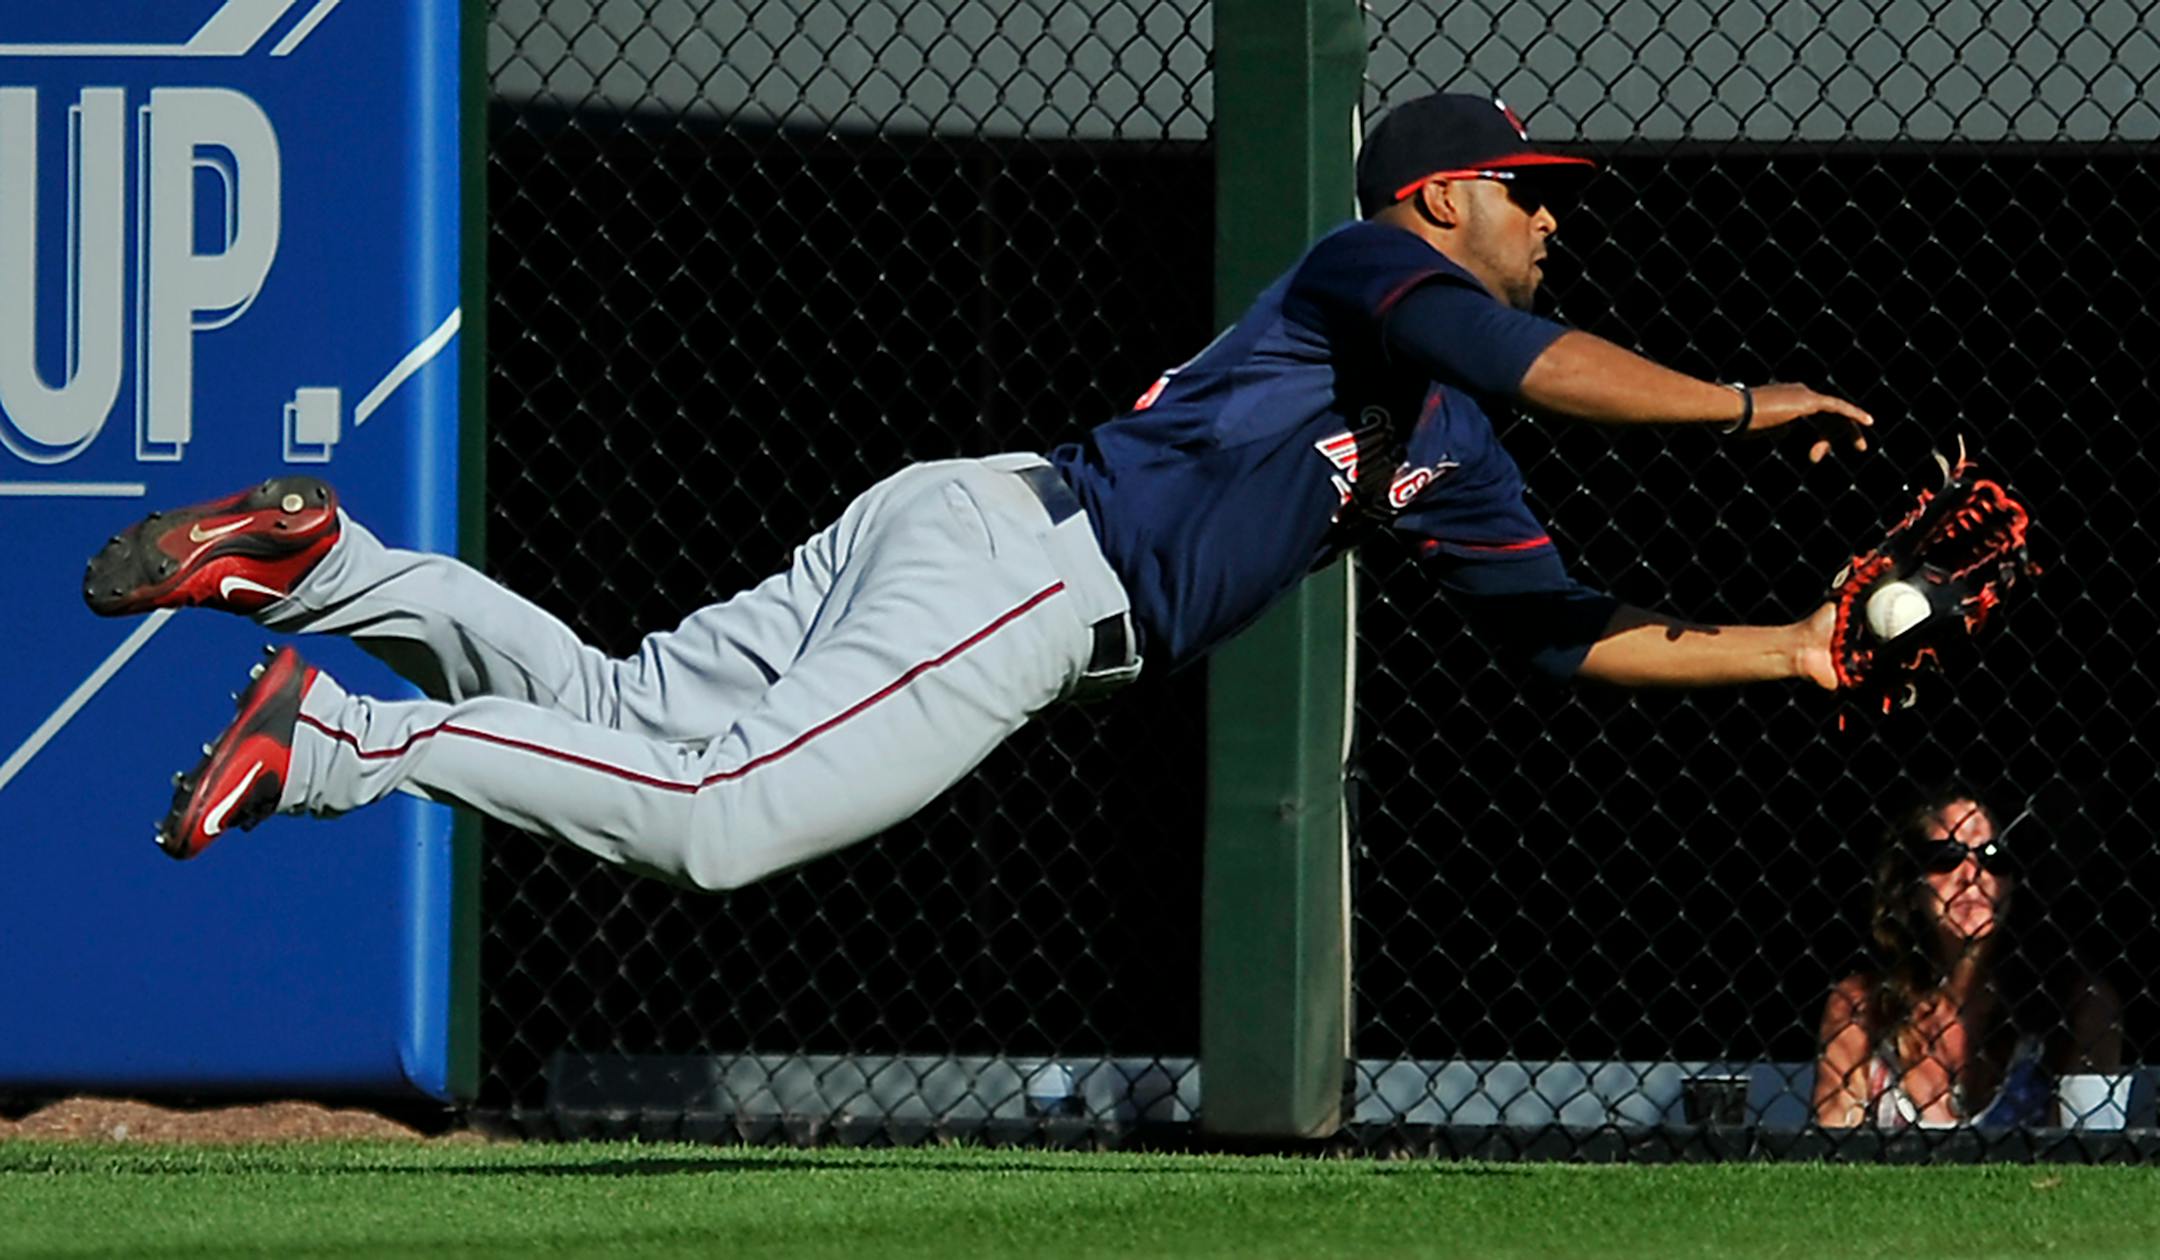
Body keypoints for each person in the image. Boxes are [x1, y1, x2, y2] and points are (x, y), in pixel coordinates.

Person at [86, 92, 1873, 885]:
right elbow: (1521, 360)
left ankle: (332, 570)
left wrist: (1787, 651)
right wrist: (1738, 406)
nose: (1551, 214)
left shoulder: (1450, 449)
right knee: (715, 827)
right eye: (1524, 187)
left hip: (972, 520)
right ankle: (336, 744)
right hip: (1032, 576)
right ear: (1434, 202)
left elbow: (1567, 634)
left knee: (627, 710)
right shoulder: (1366, 272)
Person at [1812, 787, 2123, 1128]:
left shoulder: (2079, 1004)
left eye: (1994, 856)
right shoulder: (1861, 1006)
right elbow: (1832, 1150)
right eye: (1946, 856)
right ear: (1911, 886)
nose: (1971, 875)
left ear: (2015, 883)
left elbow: (2093, 1153)